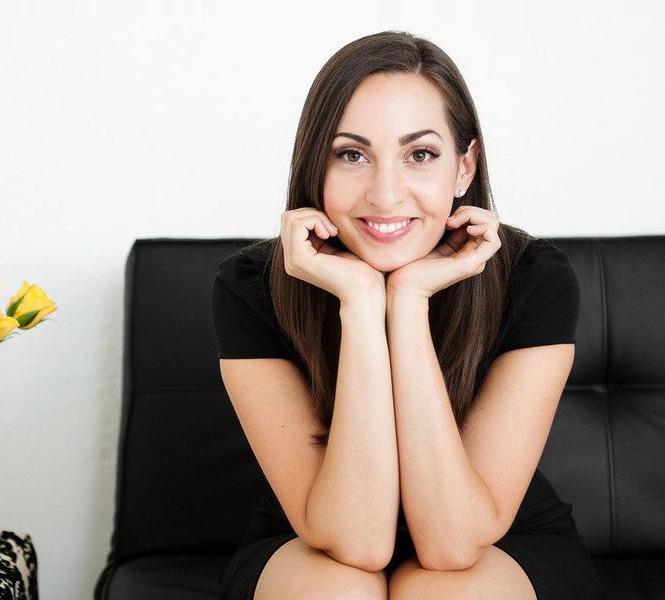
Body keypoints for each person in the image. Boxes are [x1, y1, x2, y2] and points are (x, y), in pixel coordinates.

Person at [211, 30, 605, 600]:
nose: (386, 194)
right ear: (314, 166)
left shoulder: (535, 276)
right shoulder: (248, 285)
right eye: (352, 155)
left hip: (496, 536)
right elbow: (358, 542)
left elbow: (452, 544)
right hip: (318, 532)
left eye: (420, 155)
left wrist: (411, 302)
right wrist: (362, 303)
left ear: (465, 168)